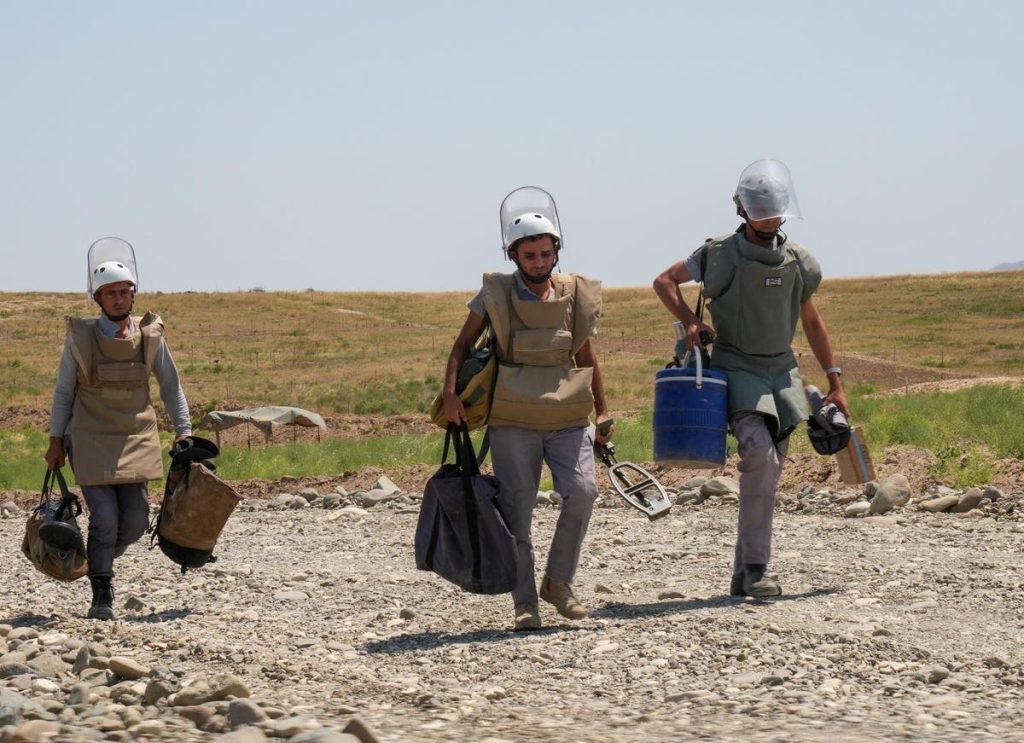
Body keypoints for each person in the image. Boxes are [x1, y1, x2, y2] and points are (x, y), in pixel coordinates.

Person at [652, 160, 850, 598]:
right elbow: (664, 281)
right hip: (735, 367)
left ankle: (745, 573)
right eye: (759, 209)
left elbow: (812, 322)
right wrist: (689, 320)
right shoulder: (717, 253)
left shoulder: (799, 262)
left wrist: (835, 381)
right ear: (741, 209)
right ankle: (758, 568)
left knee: (769, 471)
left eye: (773, 209)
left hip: (782, 373)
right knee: (760, 456)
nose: (767, 218)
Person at [442, 187, 614, 631]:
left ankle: (557, 583)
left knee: (583, 492)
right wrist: (450, 393)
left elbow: (586, 356)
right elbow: (461, 346)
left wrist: (602, 411)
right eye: (530, 255)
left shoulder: (574, 294)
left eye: (545, 253)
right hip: (513, 418)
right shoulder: (495, 294)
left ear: (557, 250)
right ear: (514, 255)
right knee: (518, 511)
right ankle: (525, 604)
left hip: (568, 416)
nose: (539, 262)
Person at [44, 237, 192, 620]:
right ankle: (101, 593)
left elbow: (171, 386)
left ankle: (99, 555)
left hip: (135, 436)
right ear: (98, 298)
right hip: (89, 437)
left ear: (133, 294)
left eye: (124, 291)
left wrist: (184, 429)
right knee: (105, 518)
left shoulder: (150, 336)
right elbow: (63, 392)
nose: (119, 298)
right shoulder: (80, 339)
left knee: (137, 521)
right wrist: (56, 440)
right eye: (110, 293)